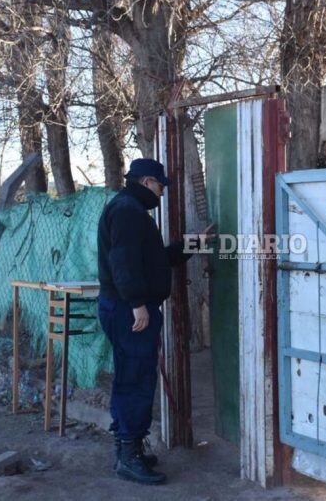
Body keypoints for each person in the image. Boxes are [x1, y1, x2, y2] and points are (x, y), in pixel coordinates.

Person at [97, 158, 204, 485]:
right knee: (136, 379)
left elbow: (154, 259)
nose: (161, 192)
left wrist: (193, 243)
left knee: (131, 376)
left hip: (124, 307)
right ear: (146, 182)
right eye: (160, 186)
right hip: (130, 311)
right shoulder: (128, 212)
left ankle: (127, 448)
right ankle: (129, 455)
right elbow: (123, 264)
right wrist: (138, 304)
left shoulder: (129, 209)